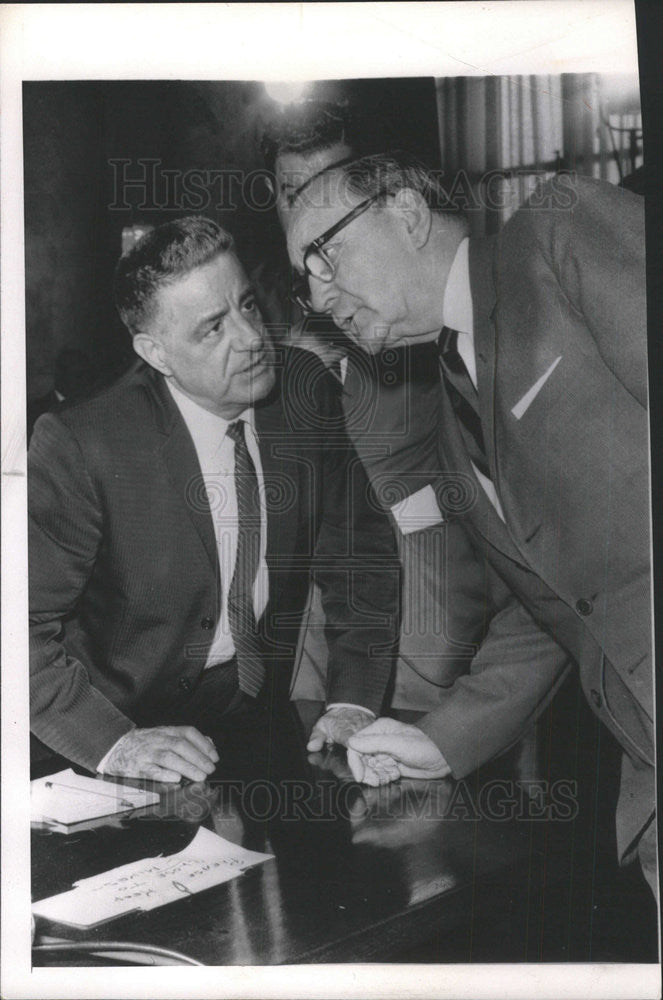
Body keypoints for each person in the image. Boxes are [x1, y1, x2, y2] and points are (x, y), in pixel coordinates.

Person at [286, 153, 655, 895]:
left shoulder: (559, 232)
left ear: (408, 213)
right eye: (304, 282)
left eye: (323, 258)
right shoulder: (452, 417)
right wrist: (438, 741)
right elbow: (551, 603)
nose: (319, 300)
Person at [28, 216, 400, 781]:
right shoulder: (84, 443)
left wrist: (351, 704)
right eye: (212, 329)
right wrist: (114, 744)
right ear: (156, 353)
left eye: (247, 306)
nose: (251, 339)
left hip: (256, 725)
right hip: (117, 734)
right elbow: (16, 628)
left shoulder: (302, 389)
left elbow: (360, 557)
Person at [260, 103, 504, 740]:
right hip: (316, 611)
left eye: (329, 181)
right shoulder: (254, 304)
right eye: (293, 191)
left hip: (426, 596)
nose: (308, 201)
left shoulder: (420, 291)